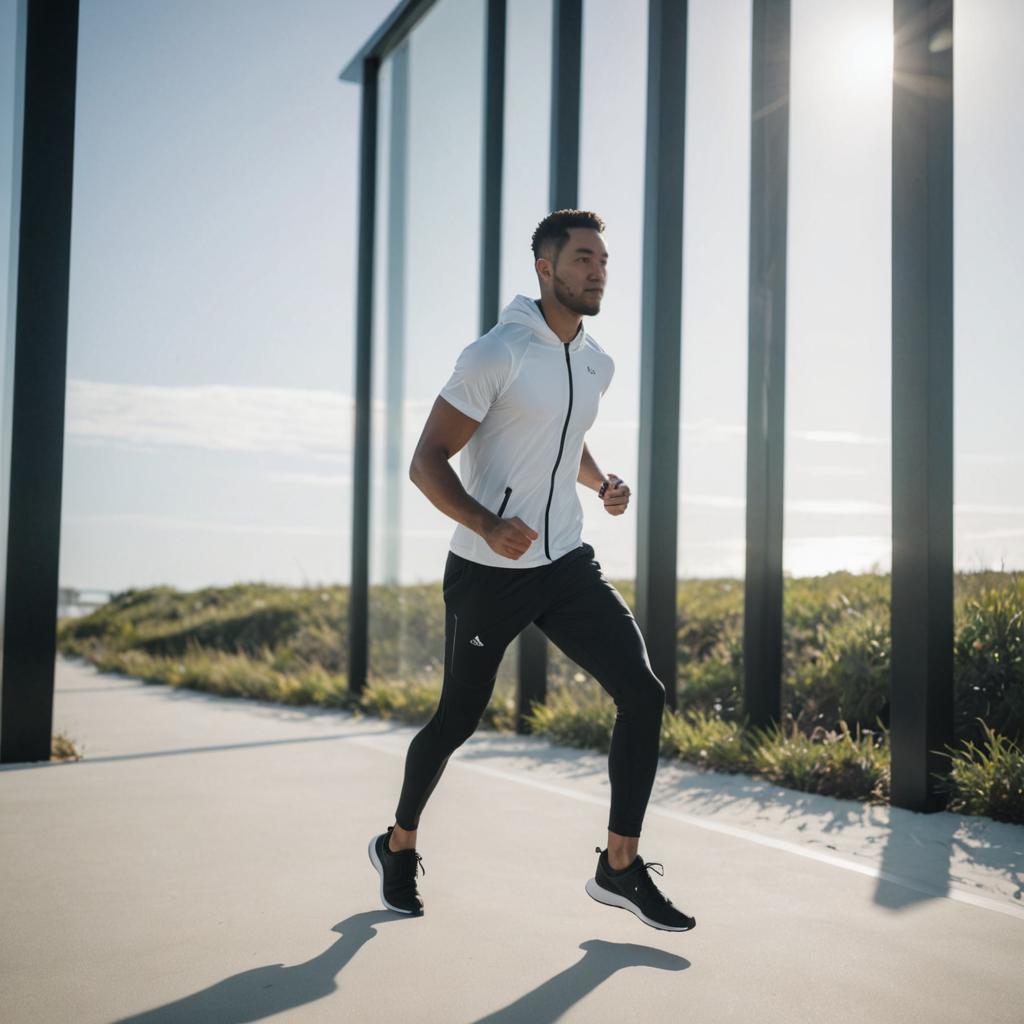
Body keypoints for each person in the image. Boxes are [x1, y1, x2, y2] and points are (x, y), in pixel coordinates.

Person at [368, 209, 696, 932]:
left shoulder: (595, 360)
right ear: (545, 269)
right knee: (456, 720)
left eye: (603, 260)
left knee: (642, 693)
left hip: (567, 564)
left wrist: (600, 481)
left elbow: (559, 437)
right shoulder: (498, 352)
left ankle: (619, 868)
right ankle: (398, 844)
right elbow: (426, 461)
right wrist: (486, 523)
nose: (598, 271)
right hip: (489, 571)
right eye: (583, 259)